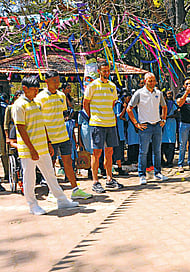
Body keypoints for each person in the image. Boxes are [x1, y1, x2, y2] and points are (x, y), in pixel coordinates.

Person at [13, 75, 79, 215]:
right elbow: (21, 128)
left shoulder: (36, 104)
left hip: (42, 146)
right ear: (25, 89)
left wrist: (48, 143)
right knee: (29, 178)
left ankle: (62, 200)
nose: (36, 92)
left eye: (37, 89)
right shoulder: (19, 105)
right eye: (33, 90)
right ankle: (32, 205)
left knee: (50, 175)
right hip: (28, 150)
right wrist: (31, 149)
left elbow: (43, 124)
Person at [35, 70, 92, 199]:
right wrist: (47, 140)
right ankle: (52, 191)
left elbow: (62, 115)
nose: (57, 83)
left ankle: (75, 189)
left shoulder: (61, 96)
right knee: (51, 164)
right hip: (49, 137)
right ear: (46, 81)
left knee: (68, 162)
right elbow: (40, 120)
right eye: (54, 80)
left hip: (63, 135)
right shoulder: (40, 98)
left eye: (58, 80)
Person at [83, 61, 124, 193]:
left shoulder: (112, 86)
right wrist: (93, 117)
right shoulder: (92, 86)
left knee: (109, 152)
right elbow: (86, 103)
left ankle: (109, 179)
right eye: (104, 71)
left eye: (108, 70)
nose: (106, 73)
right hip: (97, 124)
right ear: (99, 71)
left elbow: (112, 103)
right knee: (96, 152)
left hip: (110, 123)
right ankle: (95, 181)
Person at [127, 73, 168, 185]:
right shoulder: (139, 93)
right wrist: (136, 123)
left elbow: (164, 106)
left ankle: (158, 173)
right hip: (145, 126)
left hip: (157, 125)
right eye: (150, 80)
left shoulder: (159, 93)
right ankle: (142, 175)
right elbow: (129, 108)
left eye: (153, 80)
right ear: (145, 81)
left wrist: (163, 119)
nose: (152, 83)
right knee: (143, 152)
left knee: (157, 151)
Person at [162, 90, 178, 168]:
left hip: (171, 124)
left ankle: (170, 161)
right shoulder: (158, 105)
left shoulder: (171, 104)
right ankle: (164, 161)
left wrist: (168, 116)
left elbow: (176, 114)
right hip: (162, 126)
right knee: (163, 145)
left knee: (171, 144)